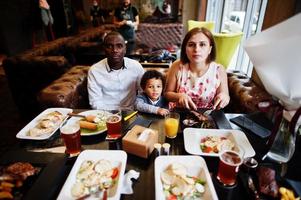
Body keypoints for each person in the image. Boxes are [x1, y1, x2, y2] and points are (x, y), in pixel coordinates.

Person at [165, 27, 230, 110]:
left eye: (202, 44)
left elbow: (225, 95)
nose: (196, 49)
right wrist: (179, 96)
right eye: (191, 45)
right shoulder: (177, 66)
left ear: (210, 49)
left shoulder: (219, 70)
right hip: (177, 114)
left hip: (205, 117)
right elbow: (167, 94)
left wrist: (224, 97)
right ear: (185, 49)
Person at [87, 31, 144, 110]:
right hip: (106, 114)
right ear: (104, 49)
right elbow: (95, 102)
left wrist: (138, 107)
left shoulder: (136, 67)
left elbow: (143, 92)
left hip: (131, 112)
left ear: (125, 49)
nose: (115, 50)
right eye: (110, 46)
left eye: (119, 46)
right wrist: (114, 114)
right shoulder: (94, 71)